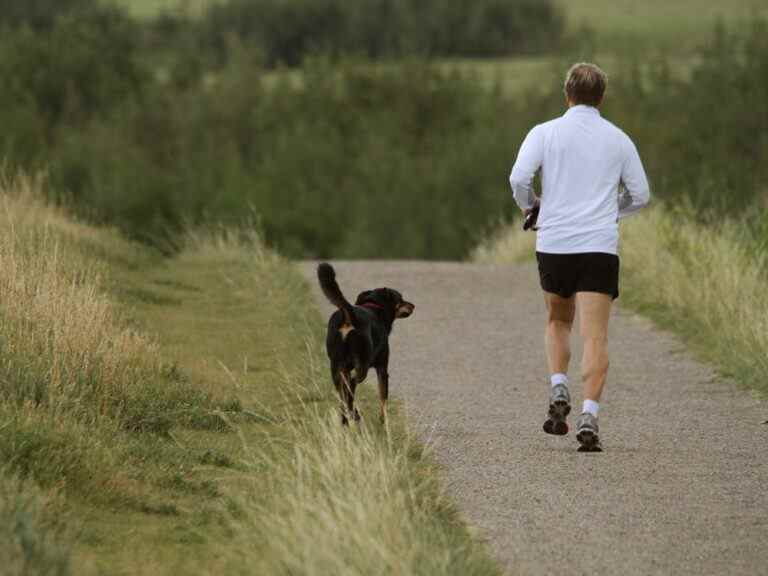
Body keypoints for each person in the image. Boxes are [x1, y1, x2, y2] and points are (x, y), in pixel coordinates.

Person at [509, 62, 650, 452]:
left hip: (554, 243)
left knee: (557, 320)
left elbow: (519, 179)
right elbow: (640, 195)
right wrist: (610, 210)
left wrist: (531, 206)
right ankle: (589, 413)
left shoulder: (544, 133)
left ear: (566, 94)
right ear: (601, 97)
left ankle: (558, 386)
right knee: (596, 335)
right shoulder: (619, 139)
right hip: (598, 246)